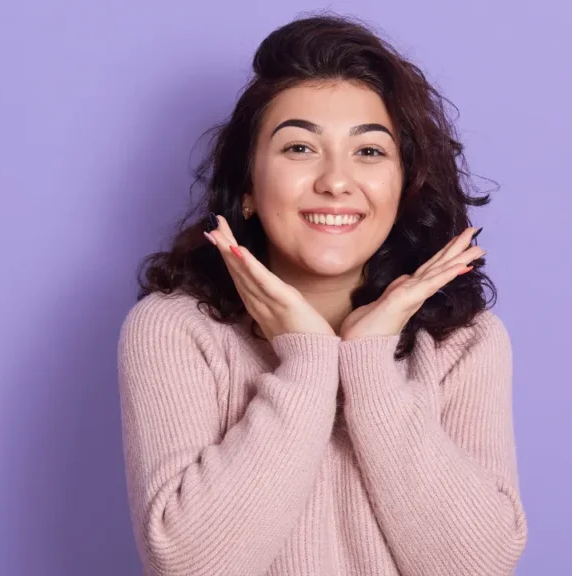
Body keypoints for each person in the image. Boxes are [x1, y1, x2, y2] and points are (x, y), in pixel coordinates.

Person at [117, 13, 527, 576]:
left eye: (369, 152)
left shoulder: (463, 342)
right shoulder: (176, 330)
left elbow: (478, 566)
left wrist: (368, 362)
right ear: (246, 192)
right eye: (300, 149)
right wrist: (308, 360)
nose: (336, 180)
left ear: (404, 188)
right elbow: (190, 566)